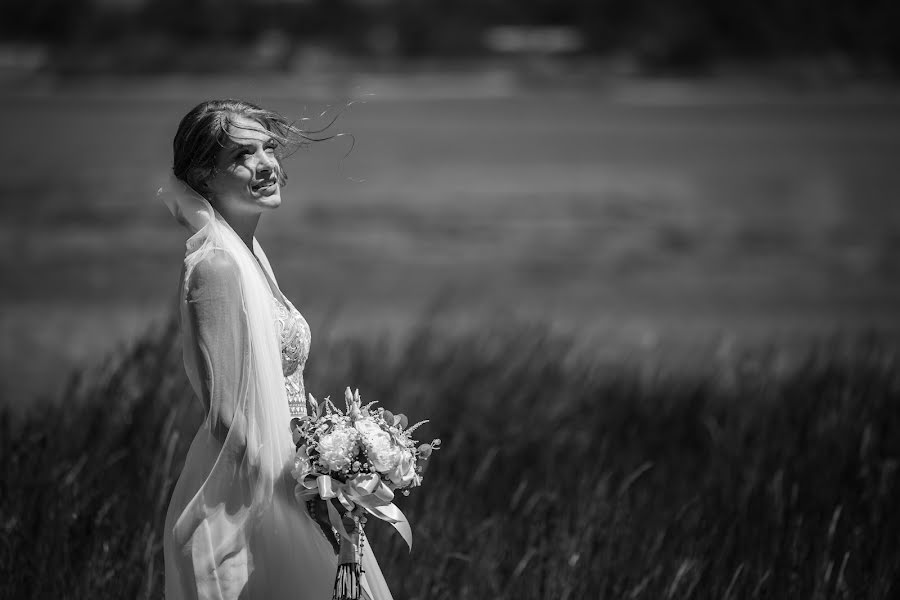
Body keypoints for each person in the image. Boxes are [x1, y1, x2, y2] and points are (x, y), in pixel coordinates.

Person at [159, 99, 393, 600]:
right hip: (249, 506)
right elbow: (226, 418)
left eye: (269, 148)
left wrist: (341, 461)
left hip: (288, 483)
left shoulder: (248, 257)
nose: (267, 165)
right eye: (243, 155)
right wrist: (306, 491)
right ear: (202, 175)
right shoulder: (217, 269)